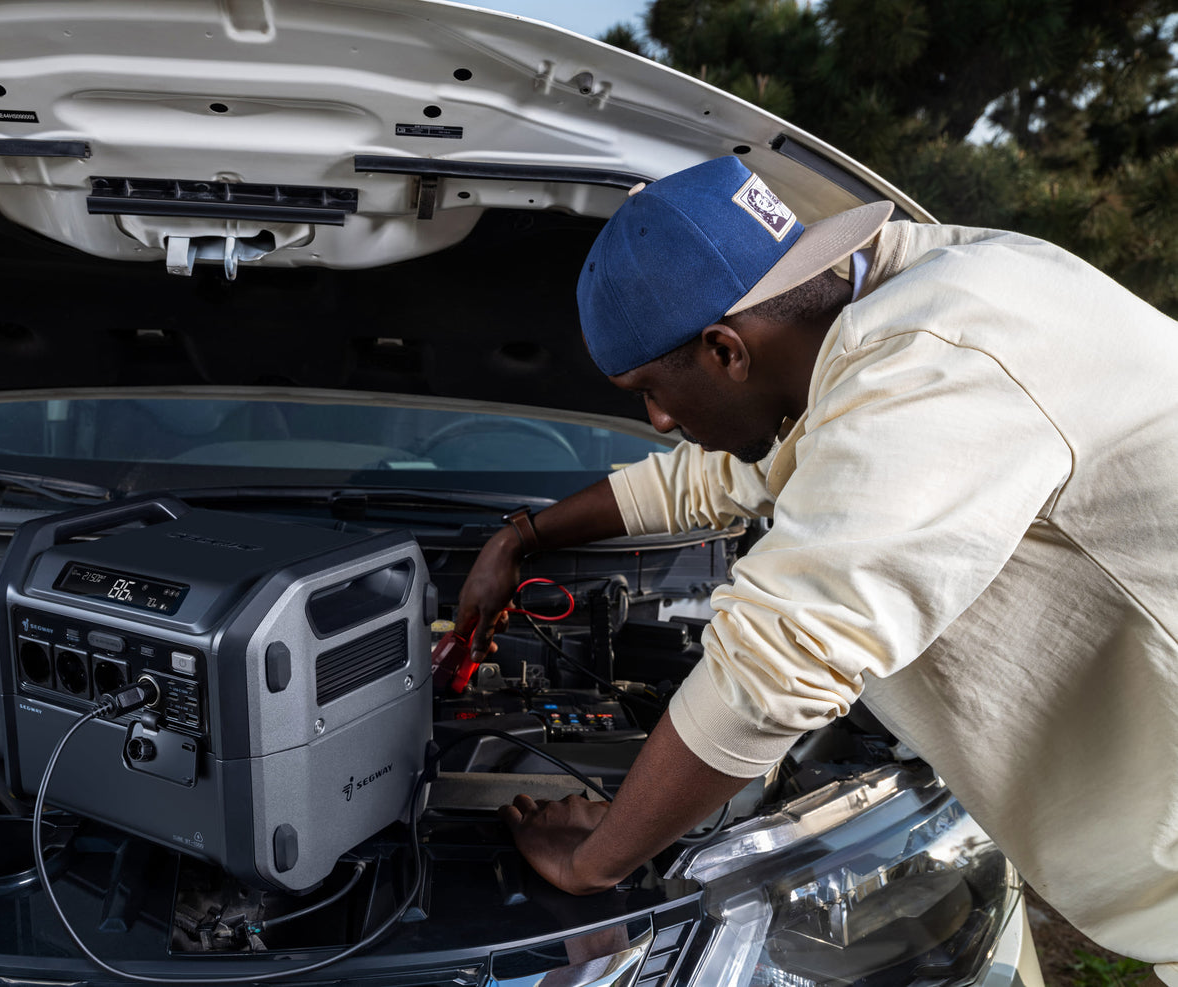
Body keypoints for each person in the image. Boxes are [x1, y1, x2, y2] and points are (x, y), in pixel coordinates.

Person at [455, 156, 1178, 980]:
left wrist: (596, 862)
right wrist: (522, 536)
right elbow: (717, 476)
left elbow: (774, 667)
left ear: (726, 350)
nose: (656, 420)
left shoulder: (935, 362)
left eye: (648, 392)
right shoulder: (889, 304)